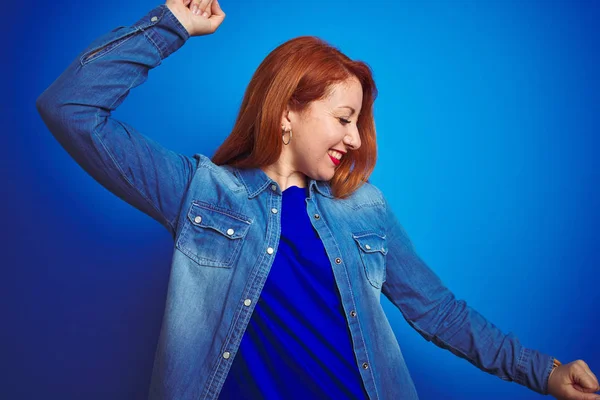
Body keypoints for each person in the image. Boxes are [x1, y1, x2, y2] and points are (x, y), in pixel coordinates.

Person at [36, 1, 599, 399]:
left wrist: (544, 373)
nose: (356, 139)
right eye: (344, 118)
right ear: (287, 112)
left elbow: (437, 311)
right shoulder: (200, 193)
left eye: (359, 122)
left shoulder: (363, 208)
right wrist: (171, 25)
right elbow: (70, 108)